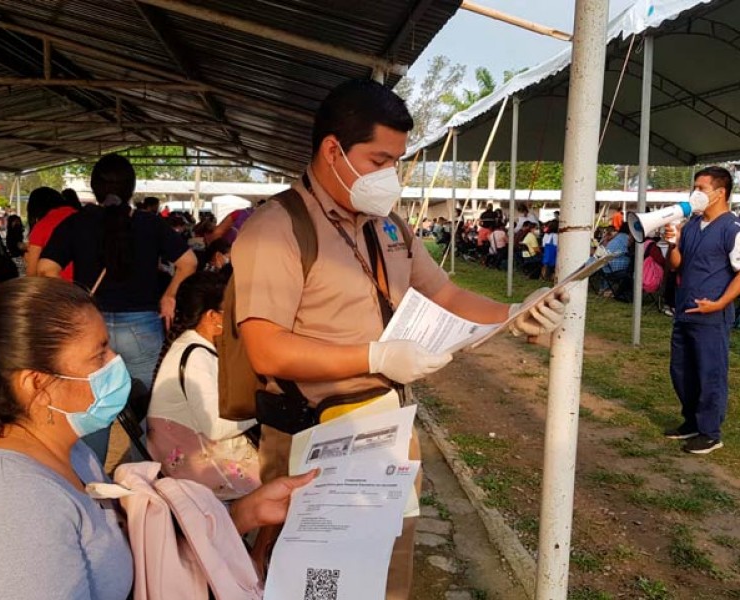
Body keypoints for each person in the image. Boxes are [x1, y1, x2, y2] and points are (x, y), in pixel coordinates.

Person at [231, 79, 568, 598]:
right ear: (332, 150)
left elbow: (446, 295)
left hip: (387, 430)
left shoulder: (386, 226)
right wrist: (376, 355)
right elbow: (265, 347)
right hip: (313, 437)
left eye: (396, 163)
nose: (389, 176)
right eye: (378, 160)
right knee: (315, 582)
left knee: (387, 570)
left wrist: (514, 312)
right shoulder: (277, 228)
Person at [0, 277, 317, 598]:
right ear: (37, 385)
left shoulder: (74, 456)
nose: (116, 362)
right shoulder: (7, 501)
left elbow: (137, 557)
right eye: (99, 354)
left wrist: (242, 513)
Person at [38, 153, 198, 463]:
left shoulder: (76, 222)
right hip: (142, 328)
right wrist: (169, 295)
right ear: (131, 188)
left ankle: (94, 483)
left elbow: (46, 269)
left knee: (95, 408)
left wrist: (74, 304)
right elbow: (188, 262)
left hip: (90, 328)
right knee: (147, 412)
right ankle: (143, 482)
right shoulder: (150, 224)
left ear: (95, 188)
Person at [147, 271, 260, 500]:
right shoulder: (196, 356)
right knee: (280, 471)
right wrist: (263, 411)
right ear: (213, 317)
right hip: (193, 461)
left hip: (192, 447)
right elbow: (216, 429)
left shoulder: (194, 344)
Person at [663, 166, 740, 454]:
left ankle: (710, 432)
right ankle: (691, 421)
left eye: (702, 188)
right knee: (681, 370)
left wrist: (720, 303)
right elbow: (675, 264)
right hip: (685, 309)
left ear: (720, 193)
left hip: (711, 316)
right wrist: (674, 243)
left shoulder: (732, 229)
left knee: (710, 372)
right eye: (694, 187)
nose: (696, 193)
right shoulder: (692, 225)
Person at [25, 187, 78, 279]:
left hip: (59, 287)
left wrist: (28, 259)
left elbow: (31, 272)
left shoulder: (43, 225)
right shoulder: (81, 216)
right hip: (91, 283)